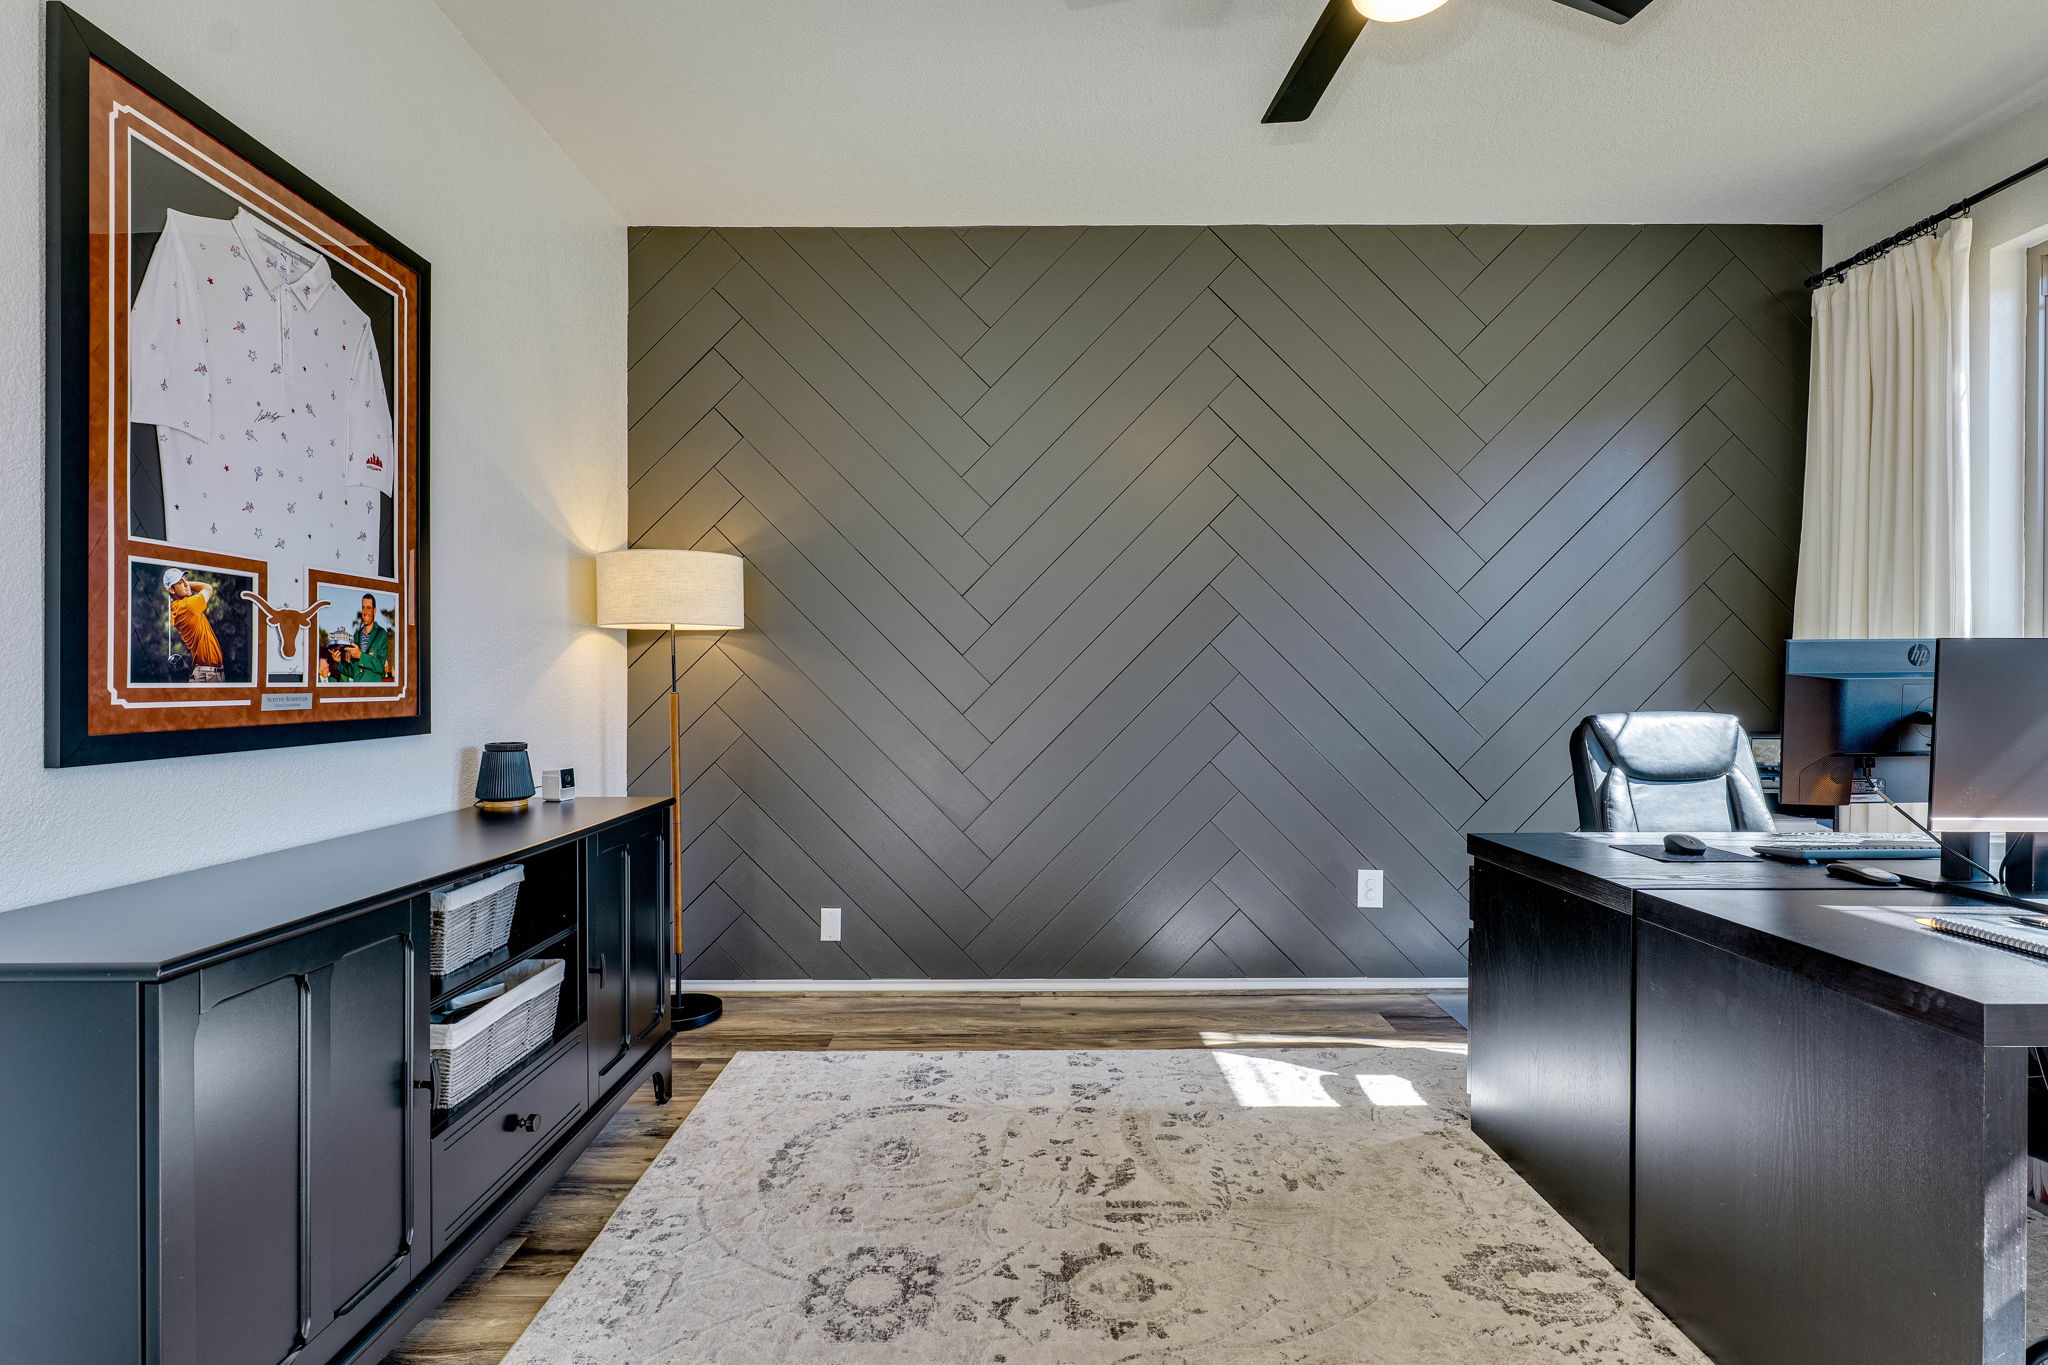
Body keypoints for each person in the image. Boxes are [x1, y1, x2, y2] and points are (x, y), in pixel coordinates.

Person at [163, 568, 225, 683]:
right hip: (207, 675)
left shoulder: (178, 606)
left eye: (186, 579)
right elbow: (208, 588)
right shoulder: (188, 605)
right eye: (180, 583)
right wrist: (188, 585)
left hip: (208, 673)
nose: (187, 584)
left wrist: (182, 584)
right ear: (171, 589)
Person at [351, 594, 393, 683]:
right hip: (357, 691)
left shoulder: (381, 634)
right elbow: (353, 671)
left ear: (374, 611)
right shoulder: (356, 635)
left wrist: (361, 656)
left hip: (372, 691)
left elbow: (380, 666)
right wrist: (339, 663)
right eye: (363, 607)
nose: (365, 612)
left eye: (368, 608)